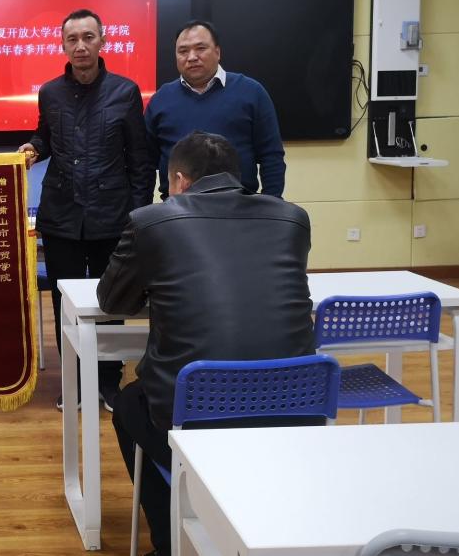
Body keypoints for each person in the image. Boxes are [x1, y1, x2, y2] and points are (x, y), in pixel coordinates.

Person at [97, 131, 315, 556]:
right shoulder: (292, 218)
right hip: (297, 411)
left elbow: (112, 300)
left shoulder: (151, 221)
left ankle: (171, 543)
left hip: (197, 415)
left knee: (128, 406)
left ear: (179, 181)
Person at [18, 8, 153, 412]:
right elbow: (45, 135)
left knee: (112, 299)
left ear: (102, 42)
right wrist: (34, 146)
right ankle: (75, 380)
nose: (80, 46)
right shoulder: (50, 92)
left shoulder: (125, 92)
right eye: (72, 39)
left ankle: (109, 381)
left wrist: (138, 217)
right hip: (62, 216)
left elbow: (140, 161)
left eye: (88, 37)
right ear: (63, 45)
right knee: (67, 302)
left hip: (112, 215)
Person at [144, 19, 285, 200]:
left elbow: (271, 156)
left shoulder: (251, 92)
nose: (192, 57)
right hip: (177, 210)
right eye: (183, 51)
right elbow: (145, 163)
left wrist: (271, 205)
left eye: (200, 48)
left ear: (217, 52)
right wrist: (143, 210)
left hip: (239, 206)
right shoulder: (160, 100)